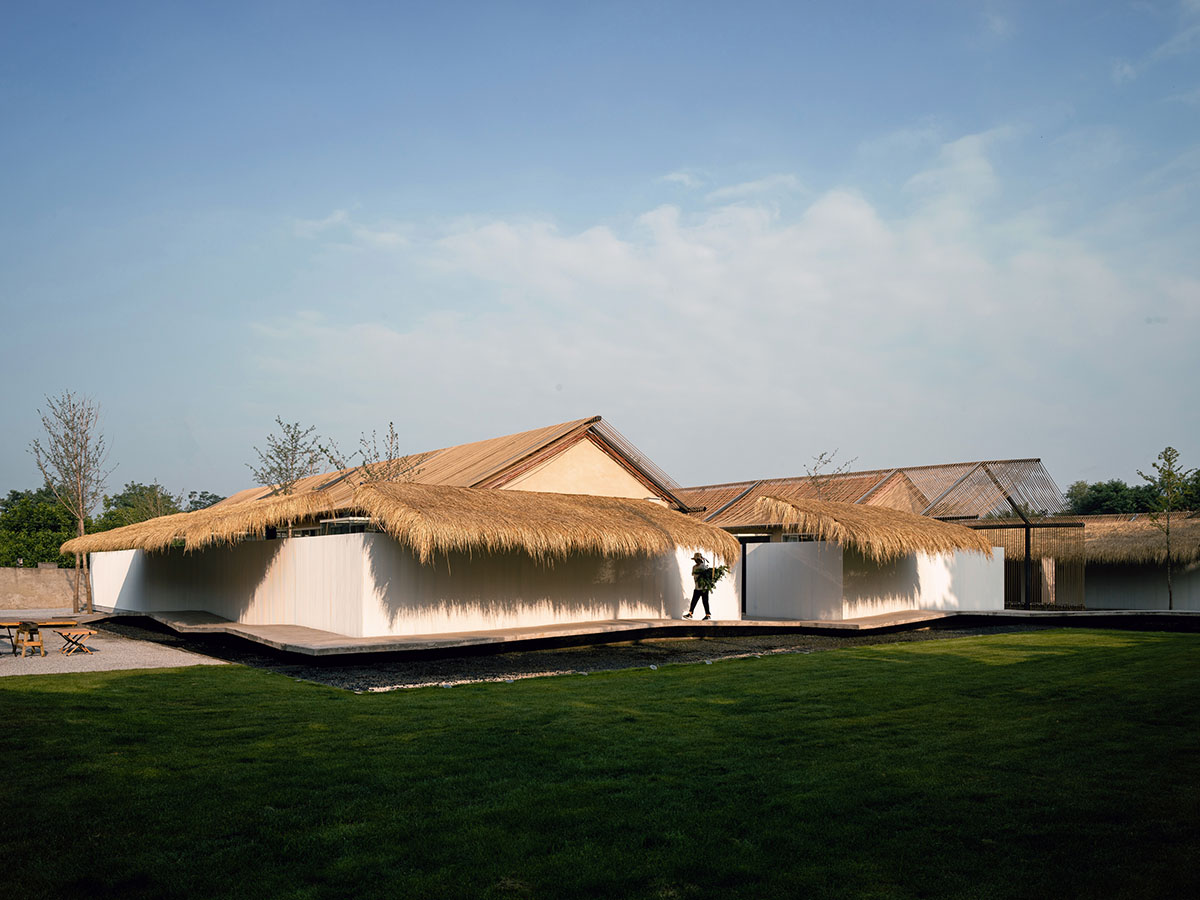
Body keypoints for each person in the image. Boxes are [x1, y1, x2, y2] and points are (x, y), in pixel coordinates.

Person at [682, 552, 713, 620]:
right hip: (697, 587)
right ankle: (690, 613)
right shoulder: (694, 567)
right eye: (695, 560)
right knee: (694, 601)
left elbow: (708, 576)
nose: (696, 561)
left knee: (705, 601)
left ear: (700, 559)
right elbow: (693, 575)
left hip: (704, 587)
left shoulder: (704, 566)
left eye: (697, 560)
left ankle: (708, 615)